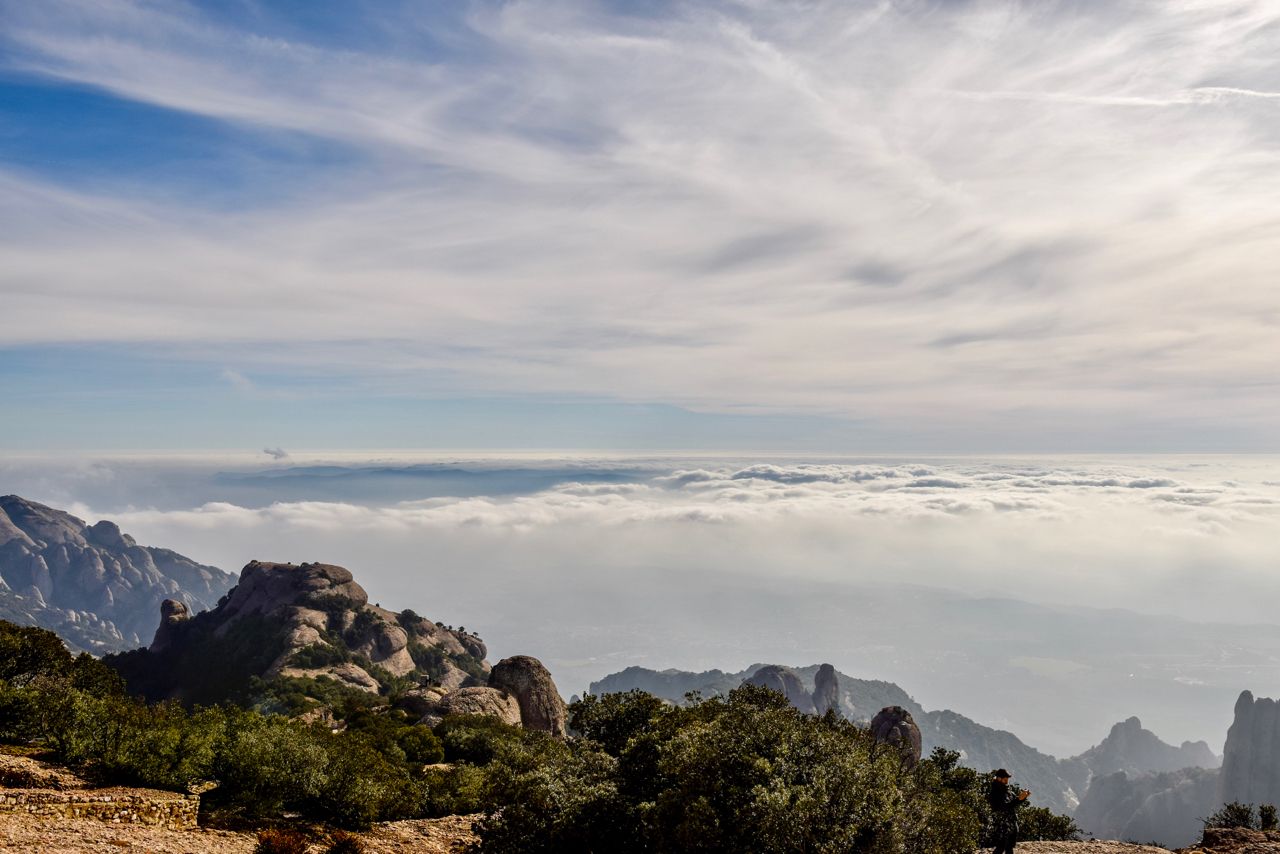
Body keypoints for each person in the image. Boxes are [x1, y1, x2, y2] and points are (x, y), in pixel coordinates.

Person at [987, 768, 1030, 854]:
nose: (1007, 782)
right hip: (1001, 825)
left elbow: (1014, 802)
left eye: (1007, 779)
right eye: (1005, 779)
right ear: (999, 779)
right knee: (1000, 847)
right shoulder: (995, 792)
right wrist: (1018, 799)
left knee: (1009, 847)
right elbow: (1004, 806)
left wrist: (1023, 798)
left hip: (1011, 823)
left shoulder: (1007, 790)